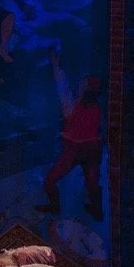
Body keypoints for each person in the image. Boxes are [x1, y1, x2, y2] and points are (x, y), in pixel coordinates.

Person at [37, 48, 105, 220]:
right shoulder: (96, 107)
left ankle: (56, 206)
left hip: (78, 150)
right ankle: (96, 210)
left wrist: (55, 66)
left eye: (82, 85)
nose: (79, 85)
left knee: (51, 181)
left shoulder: (73, 107)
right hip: (89, 149)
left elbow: (63, 88)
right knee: (92, 182)